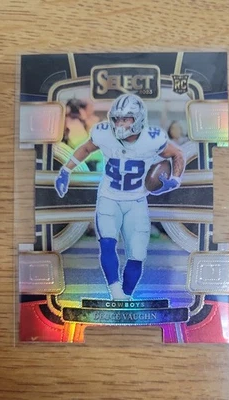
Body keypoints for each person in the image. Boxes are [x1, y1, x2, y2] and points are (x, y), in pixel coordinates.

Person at [55, 94, 185, 300]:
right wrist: (66, 170)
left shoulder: (152, 138)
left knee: (137, 255)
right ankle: (116, 292)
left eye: (125, 119)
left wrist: (175, 179)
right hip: (109, 198)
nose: (119, 124)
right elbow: (86, 148)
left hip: (136, 201)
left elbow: (177, 154)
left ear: (138, 119)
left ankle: (127, 295)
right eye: (117, 119)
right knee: (107, 243)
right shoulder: (104, 133)